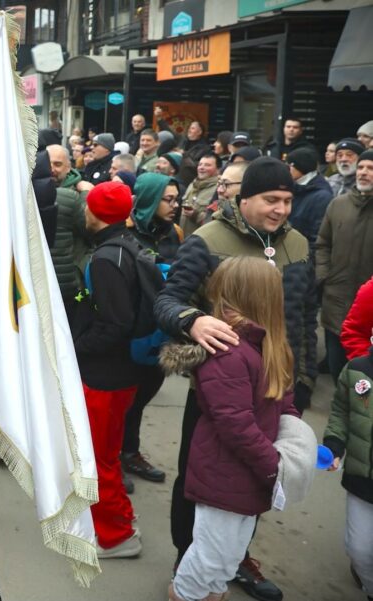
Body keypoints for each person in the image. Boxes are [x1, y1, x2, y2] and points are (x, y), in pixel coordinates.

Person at [155, 157, 317, 601]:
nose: (281, 209)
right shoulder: (208, 239)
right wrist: (192, 320)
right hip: (220, 389)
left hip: (277, 385)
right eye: (271, 199)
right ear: (244, 199)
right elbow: (167, 301)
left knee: (256, 477)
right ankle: (188, 560)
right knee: (202, 477)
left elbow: (305, 314)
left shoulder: (299, 244)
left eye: (287, 200)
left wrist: (304, 377)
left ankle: (234, 557)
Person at [165, 257, 300, 601]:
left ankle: (211, 593)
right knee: (208, 557)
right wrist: (273, 466)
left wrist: (297, 439)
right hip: (226, 472)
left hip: (249, 472)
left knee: (229, 556)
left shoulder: (269, 345)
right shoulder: (230, 352)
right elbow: (235, 424)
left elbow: (284, 400)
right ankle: (184, 594)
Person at [66, 182, 143, 558]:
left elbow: (115, 322)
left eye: (87, 206)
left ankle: (117, 536)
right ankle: (120, 519)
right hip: (121, 374)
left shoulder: (105, 259)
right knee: (106, 454)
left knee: (97, 458)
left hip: (105, 376)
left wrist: (77, 348)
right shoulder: (125, 247)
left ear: (95, 213)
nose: (83, 211)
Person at [121, 172, 184, 487]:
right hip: (128, 331)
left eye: (176, 199)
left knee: (143, 396)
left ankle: (129, 452)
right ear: (149, 200)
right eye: (167, 199)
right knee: (121, 401)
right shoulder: (124, 231)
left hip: (160, 332)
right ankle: (109, 459)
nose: (175, 205)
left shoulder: (176, 233)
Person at [324, 279, 373, 601]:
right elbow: (341, 411)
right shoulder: (358, 371)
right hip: (361, 478)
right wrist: (334, 444)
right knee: (359, 548)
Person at [315, 149, 373, 382]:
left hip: (368, 306)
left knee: (364, 375)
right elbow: (322, 243)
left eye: (371, 168)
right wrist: (324, 275)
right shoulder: (338, 205)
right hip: (336, 299)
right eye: (361, 167)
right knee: (337, 366)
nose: (364, 172)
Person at [285, 147, 334, 248]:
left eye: (290, 165)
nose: (287, 169)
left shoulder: (322, 197)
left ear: (301, 167)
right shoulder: (293, 187)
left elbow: (318, 237)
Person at [179, 152, 220, 236]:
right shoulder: (192, 185)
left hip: (200, 239)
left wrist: (195, 215)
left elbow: (215, 219)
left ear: (218, 169)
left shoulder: (219, 189)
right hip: (183, 237)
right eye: (200, 164)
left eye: (207, 165)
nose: (201, 168)